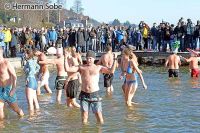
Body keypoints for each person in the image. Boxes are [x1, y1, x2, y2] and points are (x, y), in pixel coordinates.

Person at [64, 50, 118, 124]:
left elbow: (111, 71)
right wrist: (65, 58)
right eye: (87, 58)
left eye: (90, 58)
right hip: (84, 94)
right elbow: (67, 69)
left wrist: (115, 60)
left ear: (94, 59)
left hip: (95, 94)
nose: (89, 60)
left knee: (99, 116)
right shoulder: (81, 67)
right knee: (84, 117)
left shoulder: (98, 67)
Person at [0, 47, 24, 120]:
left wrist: (13, 88)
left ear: (1, 51)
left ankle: (23, 119)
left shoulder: (6, 63)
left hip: (8, 89)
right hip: (0, 90)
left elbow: (14, 76)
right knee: (0, 109)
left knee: (16, 109)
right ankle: (2, 127)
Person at [24, 49, 40, 116]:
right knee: (35, 102)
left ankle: (31, 119)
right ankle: (38, 116)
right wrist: (34, 73)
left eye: (25, 53)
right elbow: (38, 67)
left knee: (30, 103)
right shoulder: (34, 60)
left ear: (28, 54)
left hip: (30, 80)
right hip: (34, 81)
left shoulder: (29, 61)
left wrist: (28, 77)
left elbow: (31, 69)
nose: (24, 54)